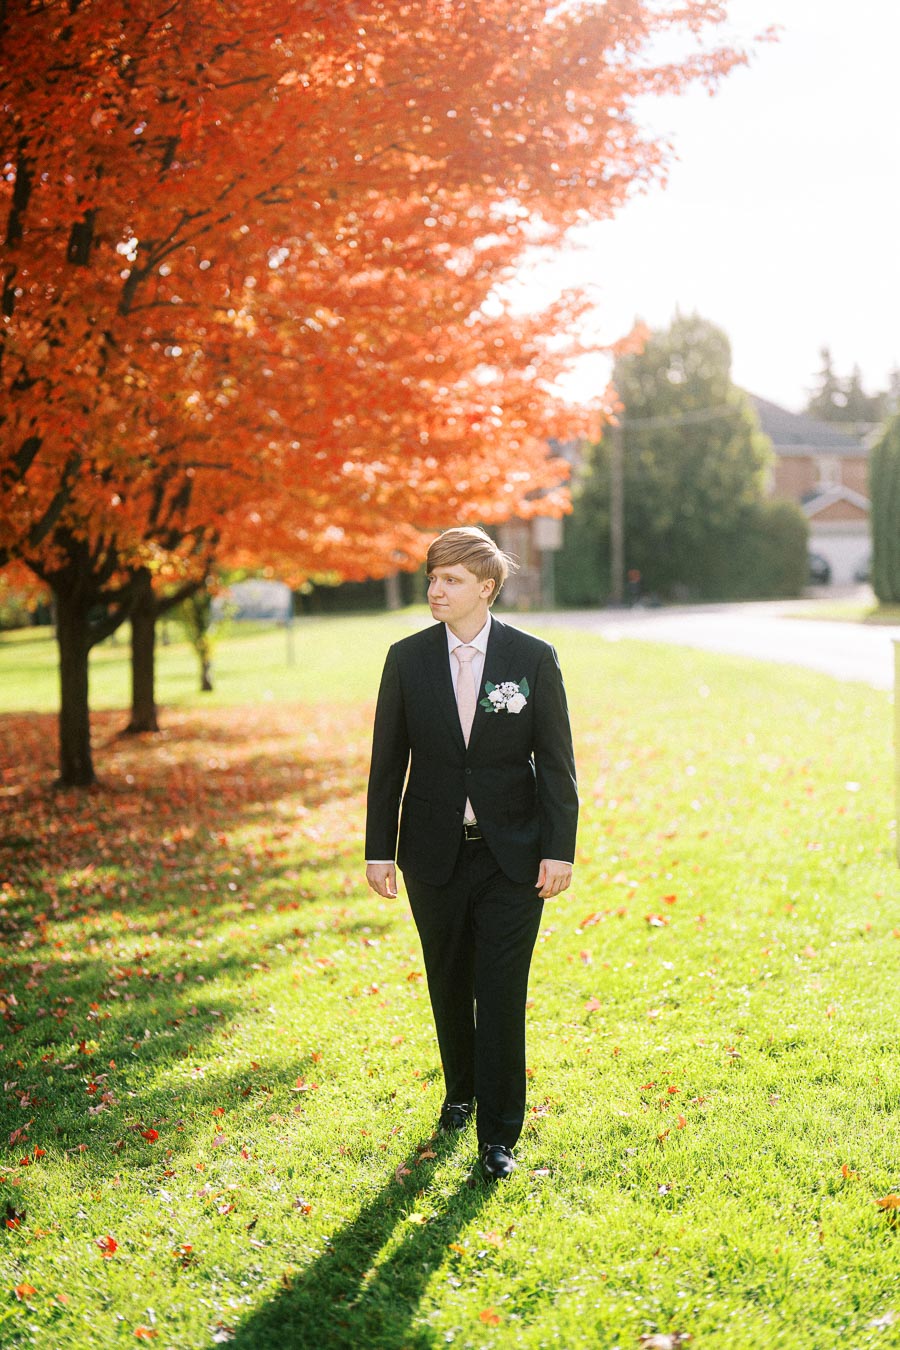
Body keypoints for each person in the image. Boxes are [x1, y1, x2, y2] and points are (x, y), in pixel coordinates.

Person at [365, 526, 578, 1182]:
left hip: (513, 856)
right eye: (433, 576)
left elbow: (559, 763)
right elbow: (387, 761)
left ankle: (499, 1136)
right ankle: (460, 1092)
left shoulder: (532, 658)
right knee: (449, 980)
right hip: (431, 854)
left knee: (502, 992)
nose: (436, 588)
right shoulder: (406, 659)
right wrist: (379, 849)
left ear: (485, 587)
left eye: (451, 579)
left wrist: (560, 850)